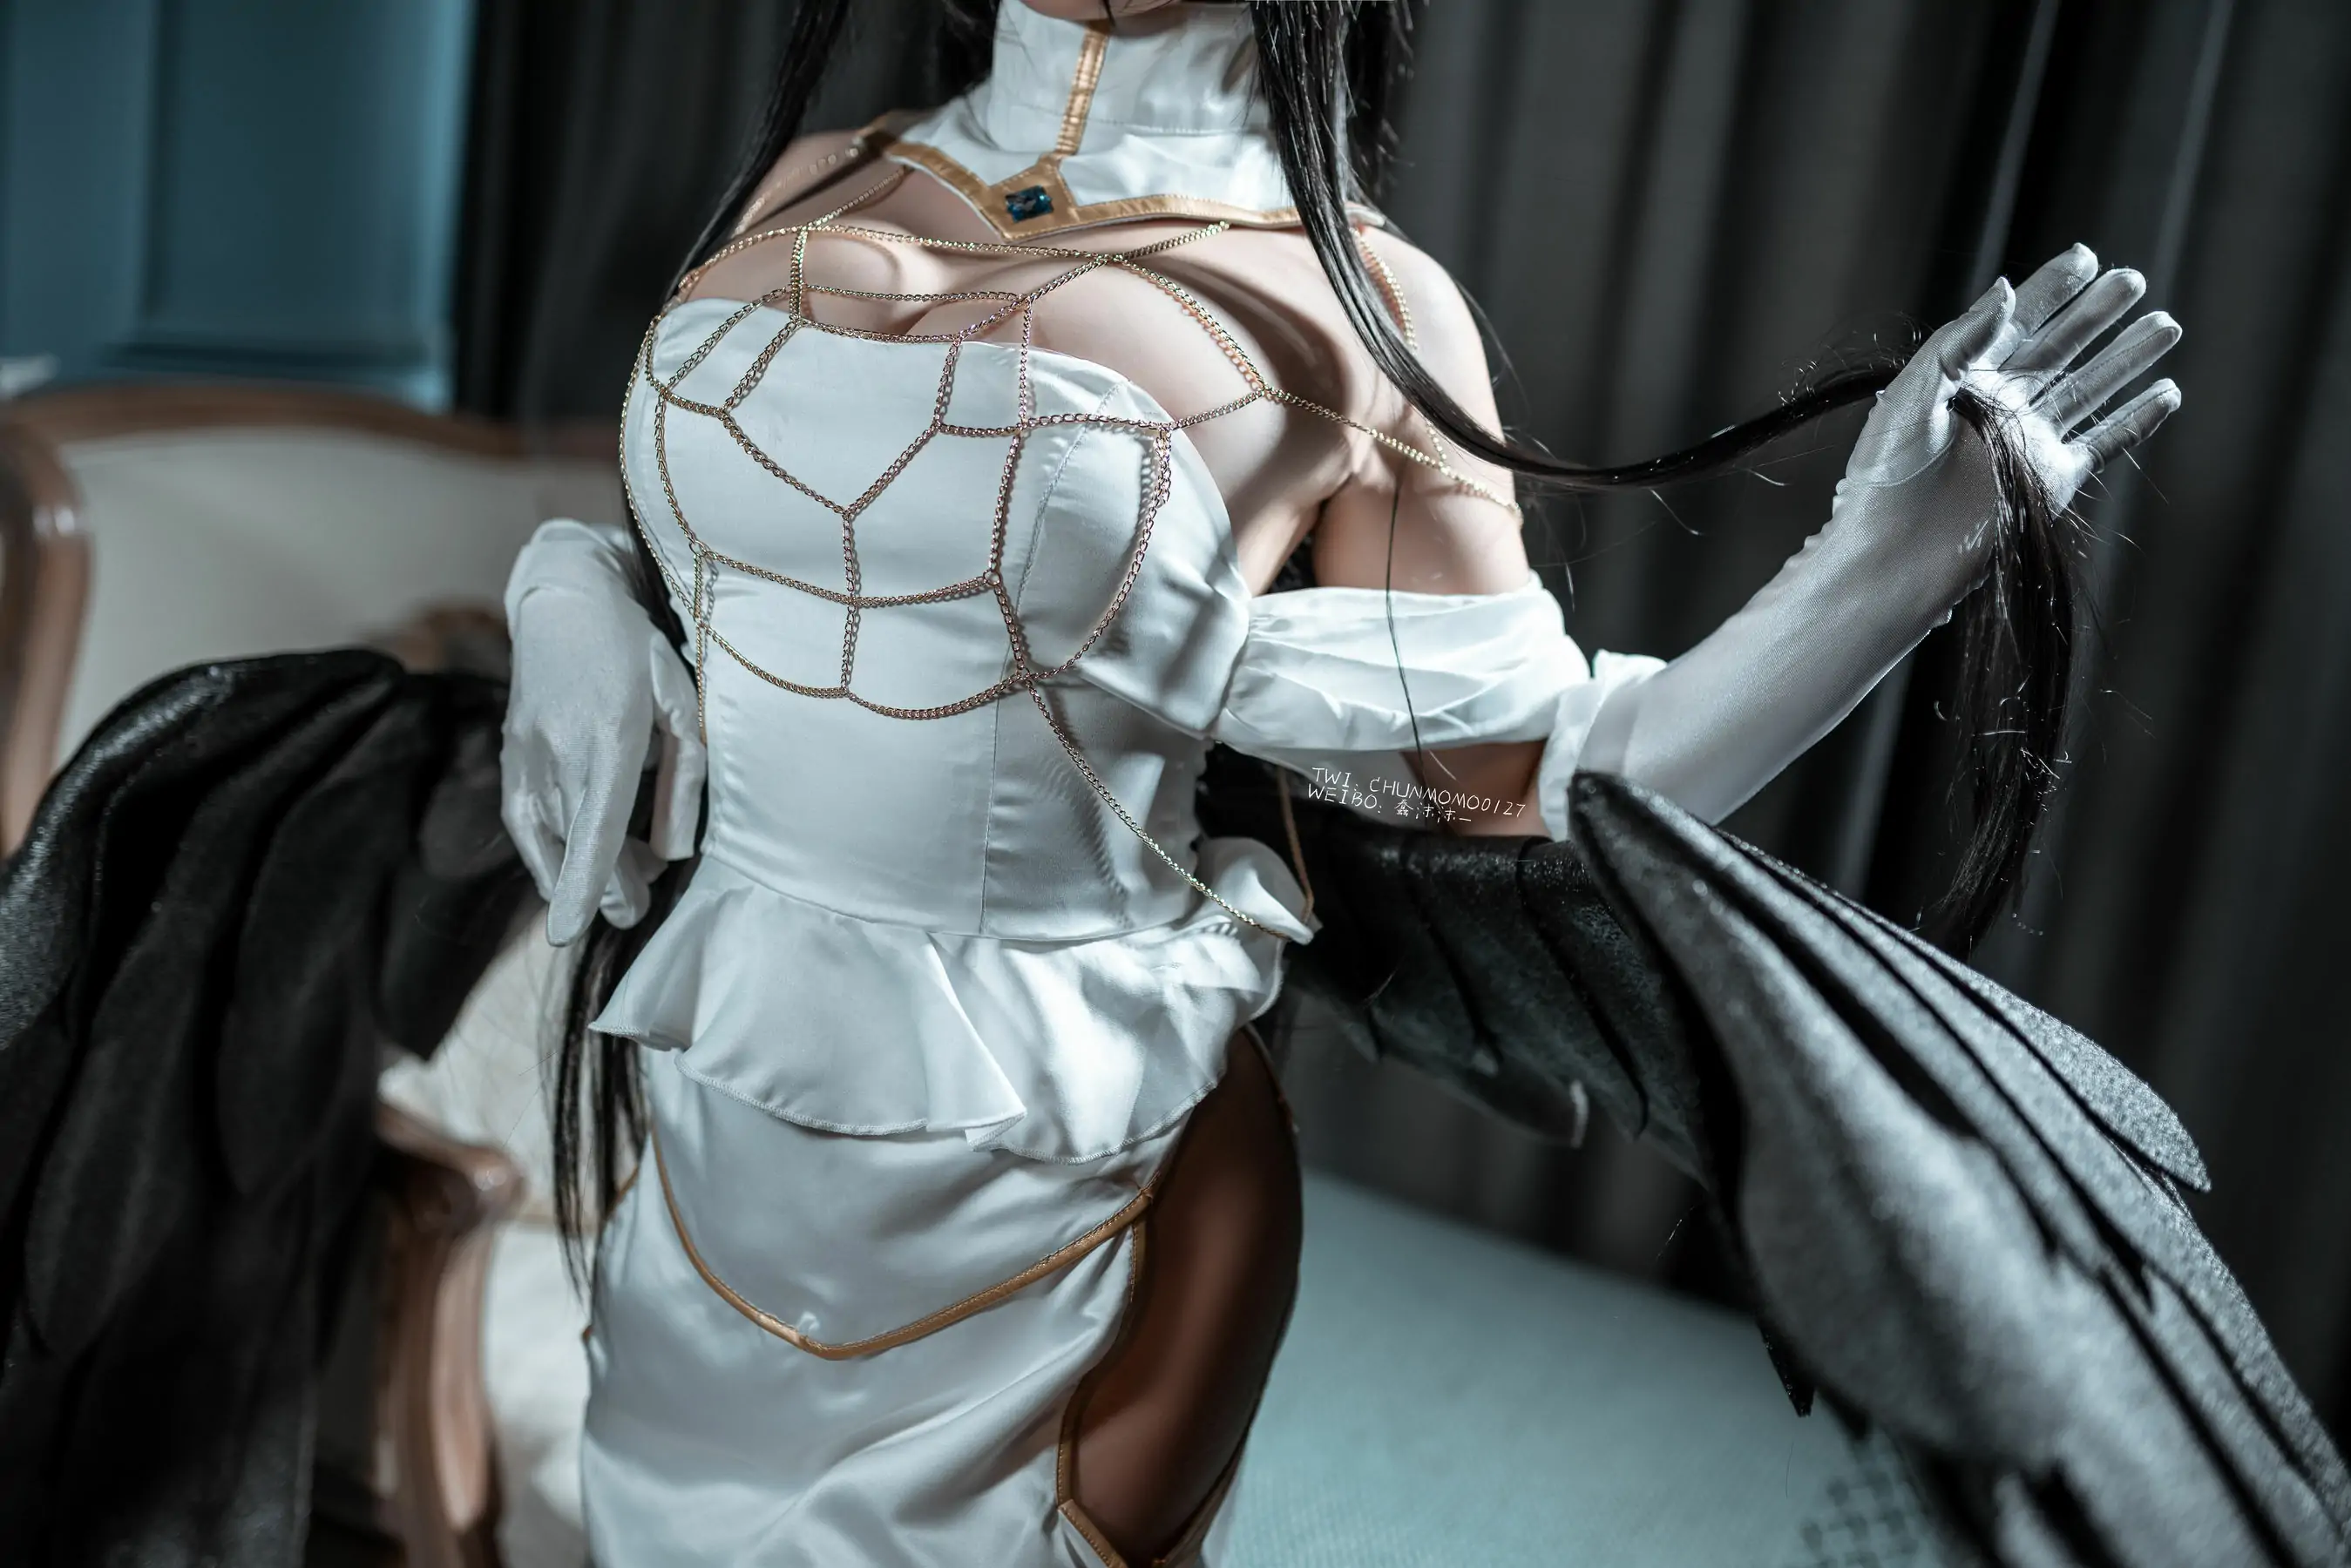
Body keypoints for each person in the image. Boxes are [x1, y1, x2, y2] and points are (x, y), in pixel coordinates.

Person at [495, 3, 2182, 1563]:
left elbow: (1530, 782)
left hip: (1063, 1207)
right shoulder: (810, 172)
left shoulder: (1355, 309)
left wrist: (1878, 573)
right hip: (711, 1140)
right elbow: (729, 552)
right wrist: (565, 585)